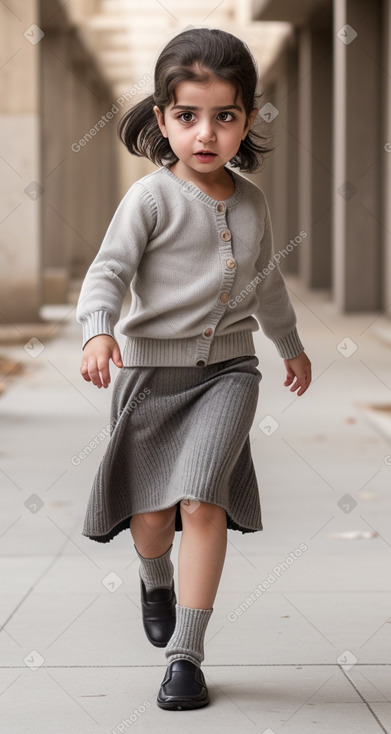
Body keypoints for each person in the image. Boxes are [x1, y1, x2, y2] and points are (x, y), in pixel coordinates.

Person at [76, 27, 312, 711]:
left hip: (228, 374)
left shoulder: (253, 202)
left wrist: (287, 344)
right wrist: (97, 333)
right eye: (187, 116)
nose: (205, 133)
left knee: (200, 501)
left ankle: (187, 655)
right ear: (162, 119)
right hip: (151, 377)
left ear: (247, 119)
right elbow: (107, 273)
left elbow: (265, 285)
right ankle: (154, 578)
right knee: (151, 519)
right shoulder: (149, 200)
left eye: (224, 116)